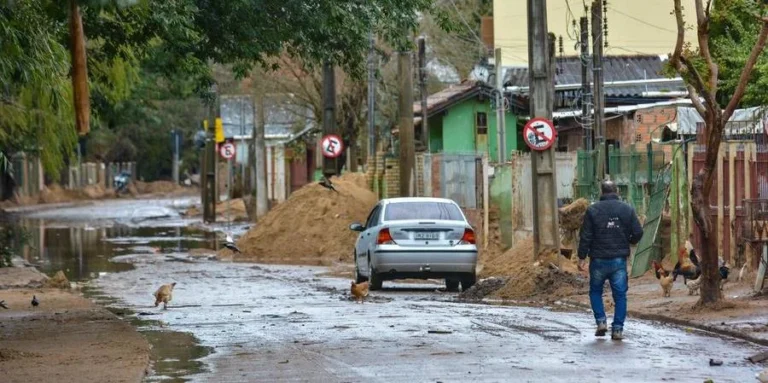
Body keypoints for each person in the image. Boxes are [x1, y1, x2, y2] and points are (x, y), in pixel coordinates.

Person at [577, 180, 643, 340]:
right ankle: (618, 329)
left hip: (598, 260)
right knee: (620, 295)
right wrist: (630, 241)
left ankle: (601, 322)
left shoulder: (592, 210)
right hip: (618, 261)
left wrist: (581, 257)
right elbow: (638, 232)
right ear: (617, 191)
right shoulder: (627, 209)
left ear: (602, 191)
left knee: (595, 291)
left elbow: (585, 236)